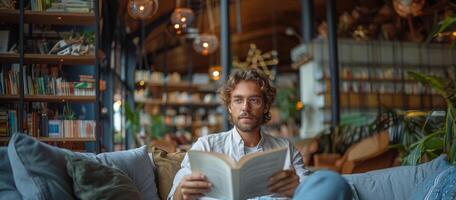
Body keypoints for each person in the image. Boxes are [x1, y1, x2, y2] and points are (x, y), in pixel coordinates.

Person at [168, 69, 352, 200]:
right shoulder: (206, 146)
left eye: (254, 100)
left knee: (332, 181)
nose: (245, 108)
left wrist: (297, 188)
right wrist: (182, 192)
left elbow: (309, 192)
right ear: (230, 107)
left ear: (265, 106)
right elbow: (173, 197)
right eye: (238, 100)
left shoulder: (285, 148)